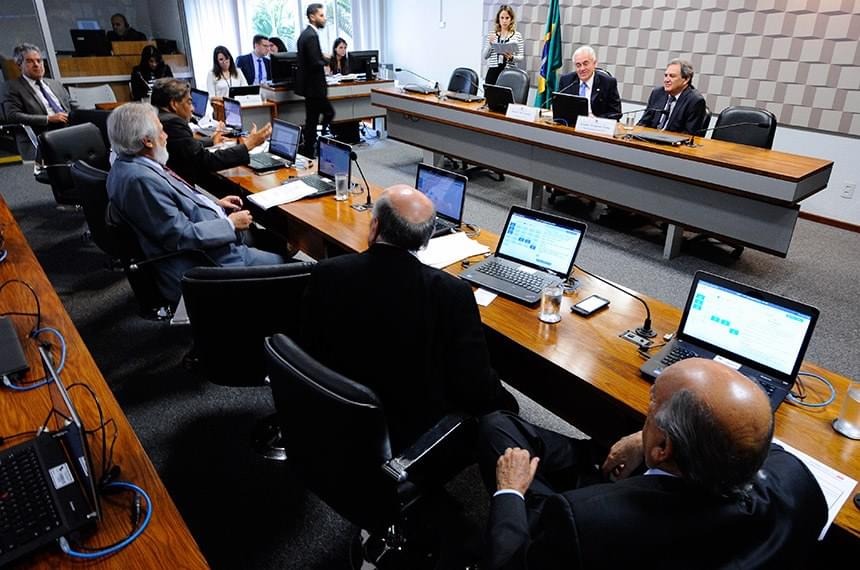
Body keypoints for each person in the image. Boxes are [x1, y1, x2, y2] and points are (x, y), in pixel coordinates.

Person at [480, 358, 827, 570]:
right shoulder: (797, 483)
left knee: (502, 442)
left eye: (651, 406)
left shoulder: (582, 520)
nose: (647, 412)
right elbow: (758, 438)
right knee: (499, 424)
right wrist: (641, 440)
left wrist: (511, 491)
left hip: (593, 527)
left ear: (663, 448)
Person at [298, 185, 517, 453]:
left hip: (330, 406)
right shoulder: (451, 292)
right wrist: (507, 407)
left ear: (374, 227)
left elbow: (308, 345)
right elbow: (474, 384)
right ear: (425, 241)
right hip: (412, 433)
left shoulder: (327, 272)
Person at [105, 103, 284, 303]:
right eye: (161, 131)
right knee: (296, 271)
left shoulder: (128, 165)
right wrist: (230, 224)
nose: (166, 136)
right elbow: (178, 236)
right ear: (147, 141)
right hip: (206, 263)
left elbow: (172, 206)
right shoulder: (140, 180)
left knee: (276, 247)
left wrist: (214, 205)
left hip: (207, 246)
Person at [150, 78, 270, 186]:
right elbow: (206, 161)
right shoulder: (173, 123)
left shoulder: (158, 117)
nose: (192, 109)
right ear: (174, 104)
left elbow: (185, 146)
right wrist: (248, 145)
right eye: (189, 102)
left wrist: (211, 140)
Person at [2, 43, 75, 160]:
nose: (36, 65)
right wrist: (48, 118)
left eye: (39, 60)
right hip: (42, 134)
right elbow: (12, 116)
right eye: (30, 61)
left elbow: (73, 106)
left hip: (69, 129)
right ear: (19, 65)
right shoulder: (12, 87)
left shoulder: (55, 84)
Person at [296, 4, 334, 158]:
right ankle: (323, 138)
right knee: (329, 113)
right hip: (315, 87)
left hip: (309, 88)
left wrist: (320, 57)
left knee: (311, 121)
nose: (324, 19)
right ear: (312, 17)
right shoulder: (311, 35)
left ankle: (309, 150)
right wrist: (326, 60)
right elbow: (314, 62)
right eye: (321, 15)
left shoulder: (305, 34)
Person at [638, 58, 708, 135]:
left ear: (686, 79)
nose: (666, 80)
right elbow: (644, 122)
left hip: (672, 141)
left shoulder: (695, 101)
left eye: (672, 76)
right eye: (666, 75)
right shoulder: (657, 93)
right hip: (649, 138)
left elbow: (688, 134)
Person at [557, 45, 621, 119]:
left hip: (596, 124)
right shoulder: (566, 81)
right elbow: (559, 107)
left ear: (594, 63)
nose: (582, 69)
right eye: (578, 65)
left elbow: (616, 113)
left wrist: (596, 119)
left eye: (585, 64)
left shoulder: (608, 83)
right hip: (570, 123)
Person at [483, 5, 524, 86]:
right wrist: (490, 44)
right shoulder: (492, 34)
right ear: (498, 19)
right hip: (493, 72)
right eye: (502, 18)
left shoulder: (517, 35)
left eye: (507, 18)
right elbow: (485, 56)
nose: (504, 21)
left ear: (511, 19)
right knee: (490, 93)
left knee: (504, 94)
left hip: (508, 73)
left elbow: (521, 57)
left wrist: (512, 58)